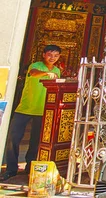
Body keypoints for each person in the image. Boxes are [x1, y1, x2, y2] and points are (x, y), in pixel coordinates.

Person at [1, 45, 62, 181]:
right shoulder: (36, 66)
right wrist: (46, 74)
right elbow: (33, 73)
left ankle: (30, 168)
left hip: (43, 110)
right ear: (44, 55)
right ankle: (11, 169)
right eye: (50, 55)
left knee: (36, 142)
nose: (52, 58)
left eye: (56, 55)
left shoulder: (57, 70)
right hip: (24, 108)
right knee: (13, 138)